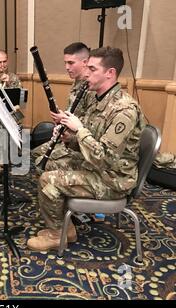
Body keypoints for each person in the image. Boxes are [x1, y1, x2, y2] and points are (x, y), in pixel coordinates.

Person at [27, 47, 146, 251]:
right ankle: (66, 227)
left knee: (49, 181)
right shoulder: (98, 99)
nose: (87, 73)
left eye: (92, 69)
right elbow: (91, 144)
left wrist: (79, 129)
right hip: (98, 167)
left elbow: (105, 158)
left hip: (113, 179)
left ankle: (58, 236)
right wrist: (69, 138)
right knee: (49, 163)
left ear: (110, 73)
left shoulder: (124, 110)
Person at [31, 42, 90, 159]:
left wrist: (63, 118)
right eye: (65, 63)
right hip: (68, 137)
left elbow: (89, 124)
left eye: (71, 63)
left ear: (85, 62)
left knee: (40, 159)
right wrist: (60, 116)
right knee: (35, 153)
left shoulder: (90, 87)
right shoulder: (76, 83)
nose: (67, 67)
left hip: (80, 144)